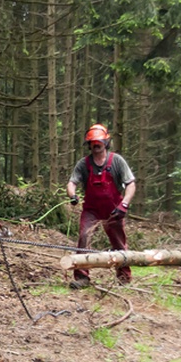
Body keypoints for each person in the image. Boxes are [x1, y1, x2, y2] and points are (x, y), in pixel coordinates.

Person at [65, 123, 136, 289]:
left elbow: (131, 184)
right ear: (88, 145)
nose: (96, 146)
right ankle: (82, 277)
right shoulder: (84, 164)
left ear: (106, 142)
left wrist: (124, 204)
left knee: (119, 243)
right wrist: (72, 195)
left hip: (114, 210)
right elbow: (71, 182)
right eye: (92, 143)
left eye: (98, 142)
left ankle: (124, 277)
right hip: (91, 211)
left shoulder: (117, 161)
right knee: (84, 238)